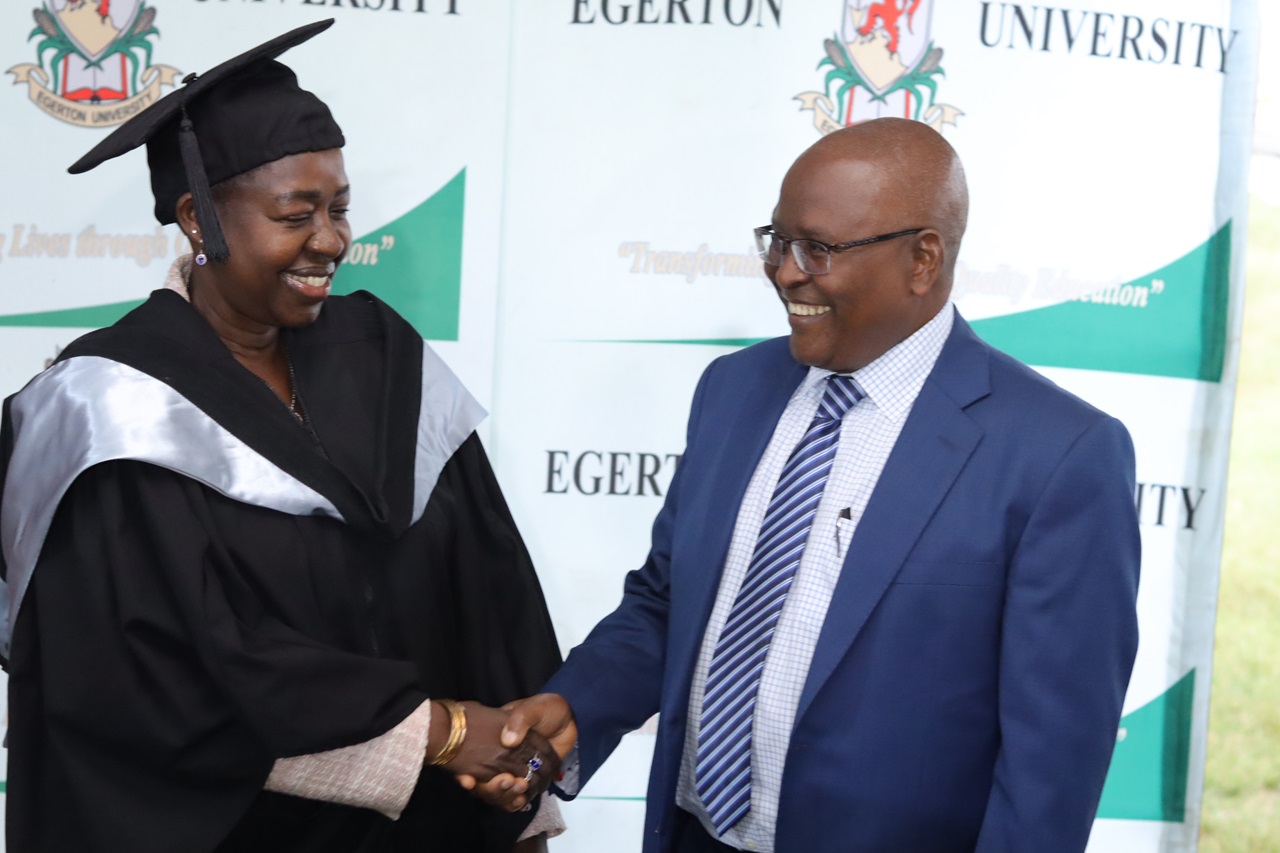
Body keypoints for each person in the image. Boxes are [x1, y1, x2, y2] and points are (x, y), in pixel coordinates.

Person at [493, 118, 1142, 852]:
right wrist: (576, 704)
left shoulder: (1061, 455)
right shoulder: (734, 389)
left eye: (818, 249)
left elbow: (1049, 768)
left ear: (922, 259)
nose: (784, 269)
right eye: (776, 238)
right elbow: (670, 605)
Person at [0, 20, 561, 852]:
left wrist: (521, 773)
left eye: (340, 208)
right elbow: (151, 680)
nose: (332, 240)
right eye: (297, 213)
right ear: (199, 219)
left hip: (430, 826)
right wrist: (435, 736)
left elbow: (487, 583)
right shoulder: (109, 408)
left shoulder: (384, 354)